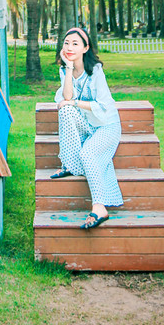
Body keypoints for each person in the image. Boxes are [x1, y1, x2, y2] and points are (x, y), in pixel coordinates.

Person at [51, 26, 122, 230]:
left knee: (88, 154)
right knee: (64, 110)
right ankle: (69, 165)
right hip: (88, 126)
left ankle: (99, 208)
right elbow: (66, 98)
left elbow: (102, 107)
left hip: (106, 127)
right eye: (66, 43)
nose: (69, 47)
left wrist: (74, 103)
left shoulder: (96, 72)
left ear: (85, 48)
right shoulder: (65, 70)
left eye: (75, 44)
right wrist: (69, 68)